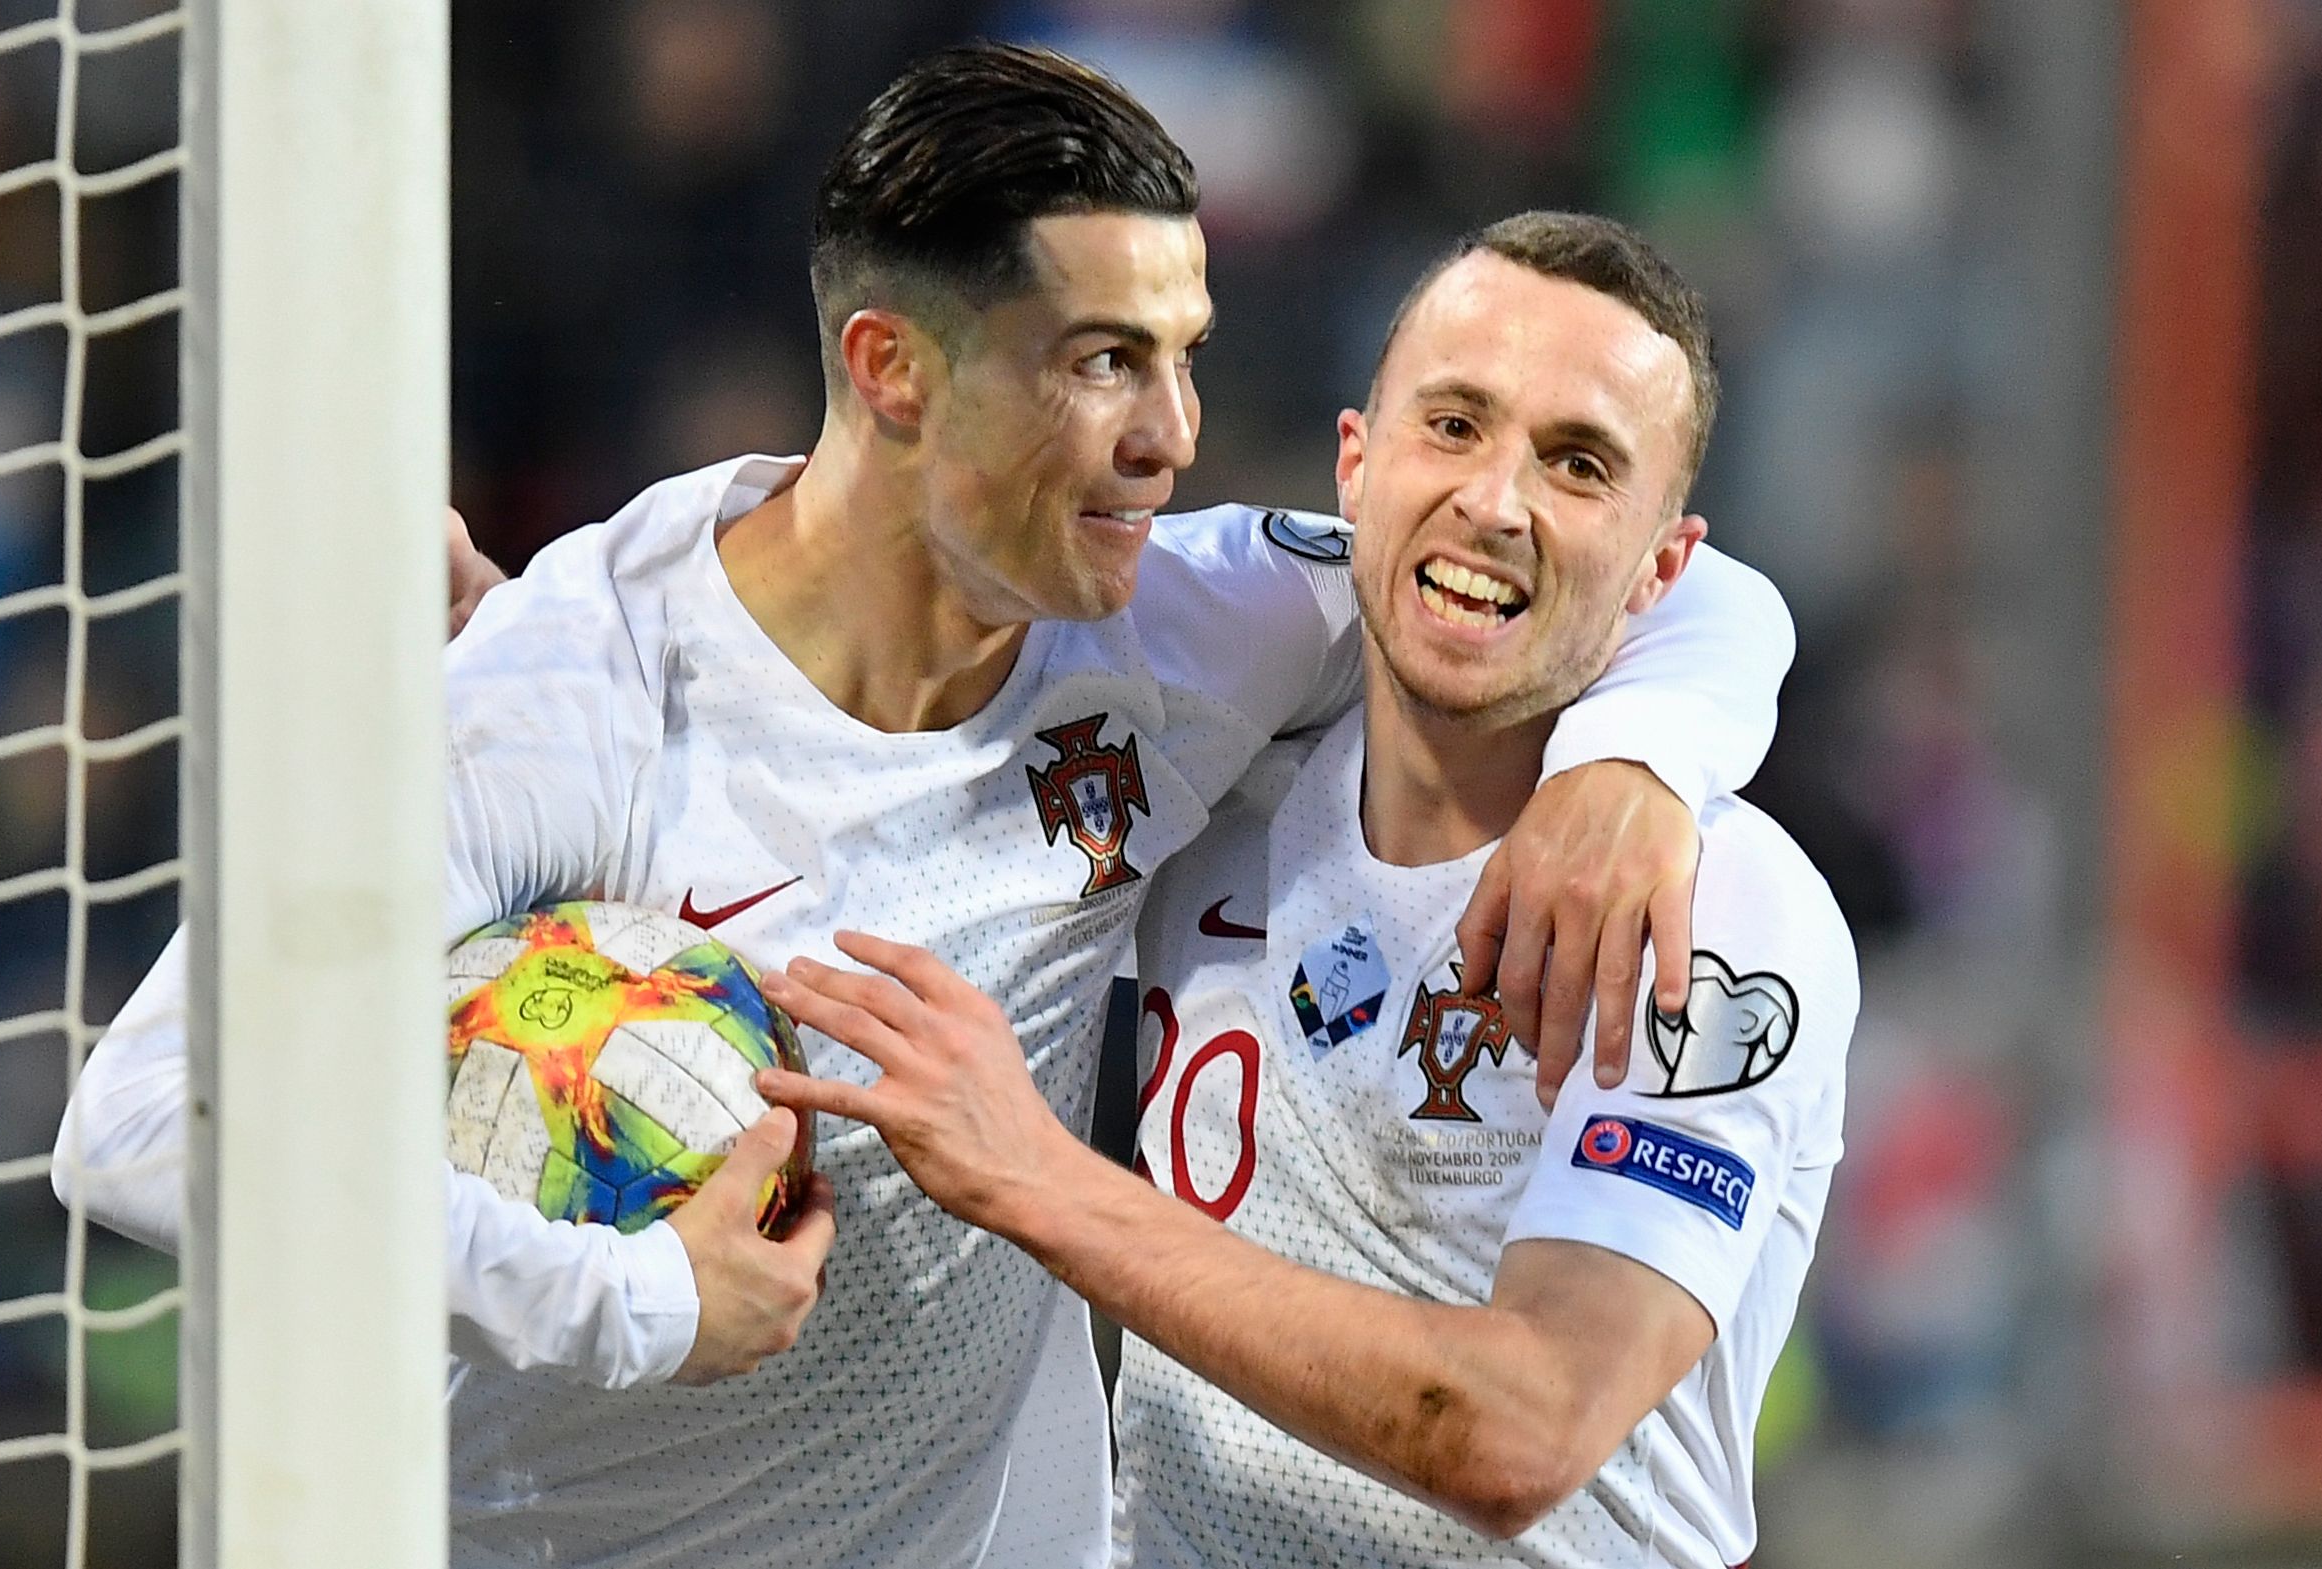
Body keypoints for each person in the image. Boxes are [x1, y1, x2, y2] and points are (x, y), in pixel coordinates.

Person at [55, 48, 1793, 1569]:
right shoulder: (556, 695)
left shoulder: (1176, 620)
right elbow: (141, 1120)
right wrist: (637, 1303)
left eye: (1185, 356)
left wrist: (1633, 760)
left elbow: (1624, 573)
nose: (1172, 436)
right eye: (1102, 361)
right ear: (894, 368)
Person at [758, 210, 1855, 1569]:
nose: (1495, 500)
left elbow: (1520, 1429)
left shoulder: (1717, 907)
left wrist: (1038, 1178)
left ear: (1663, 570)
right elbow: (861, 675)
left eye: (1576, 463)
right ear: (1354, 463)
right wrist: (547, 644)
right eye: (1452, 425)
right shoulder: (1211, 775)